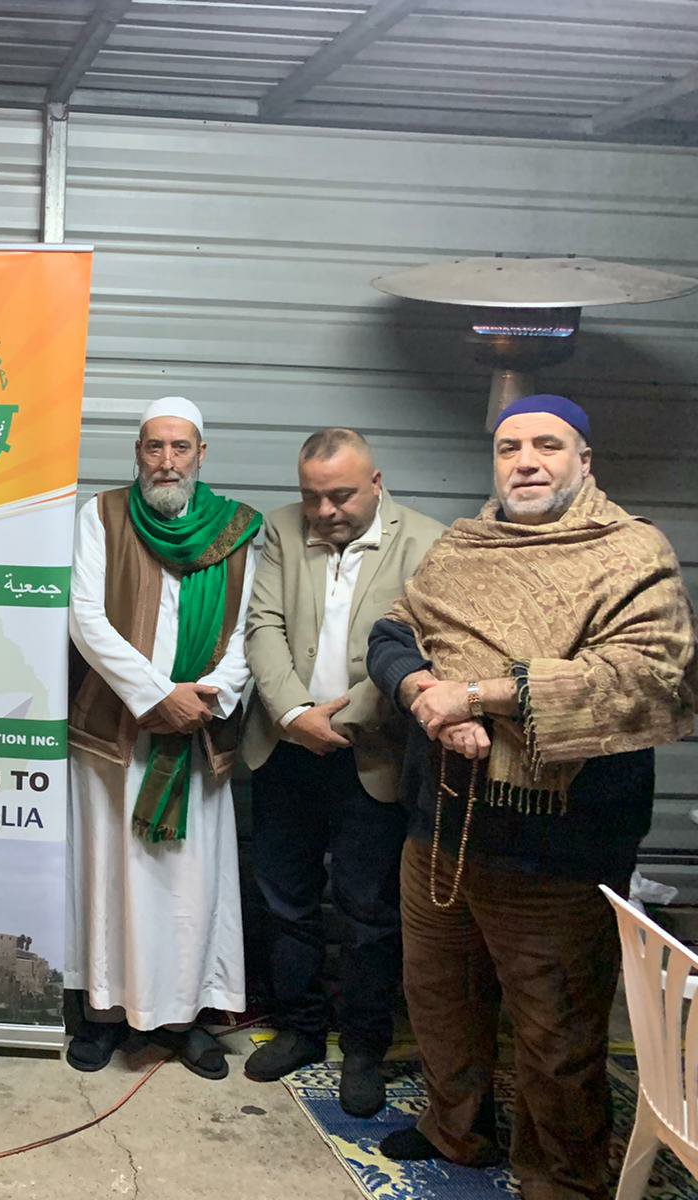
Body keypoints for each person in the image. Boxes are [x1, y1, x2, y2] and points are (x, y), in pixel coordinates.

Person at [367, 394, 698, 1199]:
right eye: (509, 447)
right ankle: (455, 1129)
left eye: (547, 446)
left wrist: (477, 695)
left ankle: (561, 1176)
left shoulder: (631, 554)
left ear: (585, 461)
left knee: (557, 1030)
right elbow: (392, 634)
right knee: (440, 998)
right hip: (440, 824)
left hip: (559, 848)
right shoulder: (463, 548)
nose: (525, 462)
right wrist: (423, 694)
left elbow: (643, 678)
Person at [241, 429, 444, 1114]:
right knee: (284, 898)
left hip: (374, 753)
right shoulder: (279, 529)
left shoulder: (427, 543)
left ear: (376, 483)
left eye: (341, 496)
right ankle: (300, 1028)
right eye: (312, 496)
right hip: (285, 749)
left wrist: (342, 719)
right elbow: (262, 628)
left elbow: (421, 650)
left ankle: (363, 1048)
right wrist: (296, 714)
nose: (324, 511)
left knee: (369, 912)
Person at [65, 396, 262, 1077]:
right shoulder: (102, 515)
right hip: (117, 735)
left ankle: (184, 1019)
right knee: (110, 876)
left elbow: (249, 627)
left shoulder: (236, 529)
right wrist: (155, 695)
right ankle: (103, 1014)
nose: (167, 461)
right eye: (155, 447)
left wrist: (205, 699)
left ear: (201, 454)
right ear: (138, 453)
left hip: (199, 735)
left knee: (188, 886)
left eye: (181, 447)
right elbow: (85, 618)